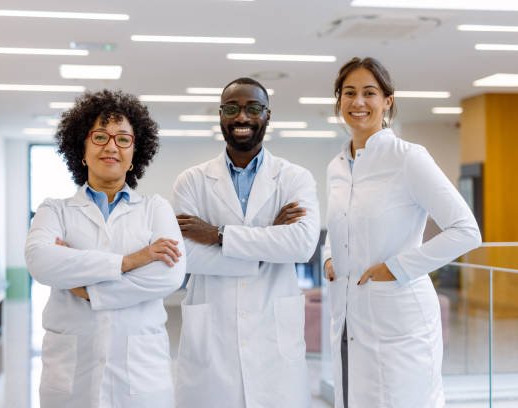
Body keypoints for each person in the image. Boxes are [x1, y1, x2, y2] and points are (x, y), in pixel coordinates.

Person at [323, 57, 482, 408]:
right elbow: (338, 226)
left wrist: (397, 267)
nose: (358, 102)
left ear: (387, 101)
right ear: (339, 102)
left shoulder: (408, 158)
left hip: (399, 316)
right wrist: (329, 257)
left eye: (369, 93)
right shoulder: (336, 166)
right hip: (350, 316)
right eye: (349, 93)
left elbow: (466, 230)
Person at [25, 90, 186, 408]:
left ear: (134, 154)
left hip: (140, 376)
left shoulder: (156, 209)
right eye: (100, 136)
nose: (111, 146)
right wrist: (131, 261)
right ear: (81, 150)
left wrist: (85, 289)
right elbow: (40, 261)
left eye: (123, 139)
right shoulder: (55, 209)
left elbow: (168, 277)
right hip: (72, 375)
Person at [172, 77, 320, 408]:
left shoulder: (295, 178)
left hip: (273, 339)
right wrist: (269, 242)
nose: (242, 117)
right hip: (212, 338)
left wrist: (218, 235)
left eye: (253, 108)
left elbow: (301, 246)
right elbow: (187, 256)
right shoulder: (192, 181)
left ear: (267, 115)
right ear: (221, 115)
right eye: (232, 108)